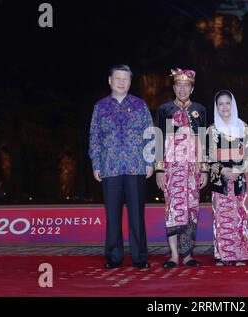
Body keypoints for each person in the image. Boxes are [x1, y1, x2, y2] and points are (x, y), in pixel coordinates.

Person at [89, 64, 154, 269]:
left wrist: (150, 161)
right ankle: (114, 257)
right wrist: (96, 163)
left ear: (130, 82)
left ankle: (140, 257)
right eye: (117, 78)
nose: (121, 82)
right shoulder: (100, 107)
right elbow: (94, 137)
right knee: (113, 216)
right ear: (110, 81)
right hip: (110, 167)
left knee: (137, 215)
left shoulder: (139, 105)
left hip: (136, 166)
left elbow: (150, 134)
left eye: (125, 79)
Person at [155, 68, 209, 268]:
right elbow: (159, 140)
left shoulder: (200, 110)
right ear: (174, 87)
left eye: (187, 85)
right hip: (171, 168)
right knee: (172, 210)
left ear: (192, 89)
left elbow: (204, 141)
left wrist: (204, 169)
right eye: (179, 85)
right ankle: (174, 255)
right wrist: (159, 169)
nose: (183, 89)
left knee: (192, 209)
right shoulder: (164, 110)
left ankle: (188, 255)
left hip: (192, 169)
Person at [207, 90, 248, 266]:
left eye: (228, 103)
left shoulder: (244, 127)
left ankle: (241, 255)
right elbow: (209, 156)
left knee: (241, 216)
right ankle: (224, 255)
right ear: (216, 107)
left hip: (240, 179)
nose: (224, 107)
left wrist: (238, 170)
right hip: (220, 180)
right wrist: (222, 170)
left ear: (232, 105)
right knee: (221, 217)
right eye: (220, 104)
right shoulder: (212, 130)